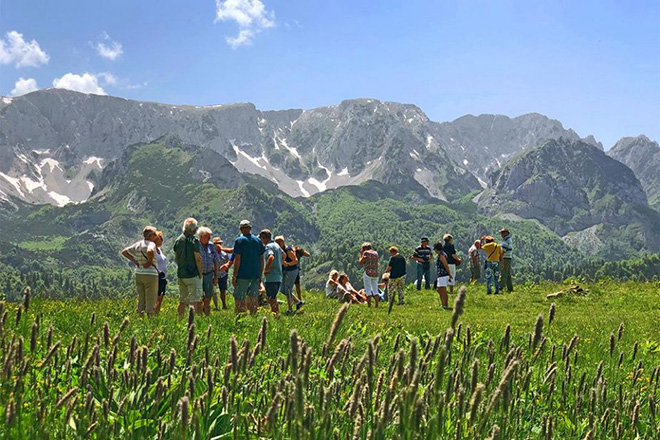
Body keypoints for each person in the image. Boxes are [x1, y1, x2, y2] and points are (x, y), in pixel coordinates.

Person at [121, 226, 159, 316]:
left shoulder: (138, 244)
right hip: (150, 274)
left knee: (141, 297)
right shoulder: (151, 244)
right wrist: (149, 262)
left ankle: (140, 315)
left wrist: (134, 260)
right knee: (151, 297)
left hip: (139, 273)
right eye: (154, 235)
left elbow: (124, 252)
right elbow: (150, 251)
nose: (156, 237)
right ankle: (150, 317)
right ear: (150, 236)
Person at [231, 220, 265, 315]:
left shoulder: (240, 240)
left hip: (242, 274)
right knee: (253, 296)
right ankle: (253, 315)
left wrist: (234, 275)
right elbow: (262, 259)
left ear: (241, 229)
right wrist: (260, 274)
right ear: (250, 229)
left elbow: (237, 259)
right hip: (255, 274)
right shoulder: (258, 241)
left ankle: (240, 316)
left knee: (239, 296)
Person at [173, 218, 203, 317]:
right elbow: (198, 259)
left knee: (182, 300)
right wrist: (200, 273)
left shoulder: (178, 240)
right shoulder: (194, 241)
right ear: (193, 229)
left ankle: (180, 318)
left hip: (181, 274)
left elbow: (176, 258)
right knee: (193, 300)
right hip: (192, 274)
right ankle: (191, 321)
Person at [276, 236, 305, 314]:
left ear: (282, 242)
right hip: (285, 271)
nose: (277, 244)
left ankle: (290, 309)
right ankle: (298, 302)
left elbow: (295, 260)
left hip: (291, 271)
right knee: (282, 290)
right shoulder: (280, 250)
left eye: (278, 242)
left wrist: (287, 264)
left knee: (288, 289)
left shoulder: (288, 250)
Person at [259, 229, 283, 315]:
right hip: (279, 275)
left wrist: (266, 270)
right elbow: (283, 255)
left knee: (271, 298)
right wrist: (279, 264)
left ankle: (276, 315)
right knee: (273, 297)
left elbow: (271, 257)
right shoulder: (276, 245)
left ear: (264, 238)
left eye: (261, 238)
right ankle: (276, 314)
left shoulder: (268, 246)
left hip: (271, 277)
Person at [198, 227, 219, 316]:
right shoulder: (196, 245)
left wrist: (216, 275)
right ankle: (199, 314)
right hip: (198, 275)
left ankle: (207, 314)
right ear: (201, 237)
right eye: (208, 236)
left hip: (209, 274)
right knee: (198, 296)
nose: (209, 238)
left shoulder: (211, 246)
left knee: (208, 295)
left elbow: (216, 260)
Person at [359, 242, 380, 307]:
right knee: (375, 289)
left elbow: (360, 262)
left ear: (364, 248)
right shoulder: (375, 253)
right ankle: (377, 304)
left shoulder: (366, 253)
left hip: (368, 273)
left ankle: (369, 305)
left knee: (368, 289)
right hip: (375, 273)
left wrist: (361, 254)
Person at [212, 237, 231, 310]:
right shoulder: (211, 253)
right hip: (214, 275)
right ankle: (215, 306)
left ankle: (224, 304)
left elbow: (228, 263)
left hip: (223, 275)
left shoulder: (224, 254)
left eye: (220, 243)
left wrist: (226, 272)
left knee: (222, 290)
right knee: (213, 290)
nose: (219, 245)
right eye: (218, 243)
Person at [433, 241, 452, 310]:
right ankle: (443, 304)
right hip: (441, 275)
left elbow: (446, 265)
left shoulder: (441, 256)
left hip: (443, 275)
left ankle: (445, 305)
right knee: (439, 289)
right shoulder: (442, 254)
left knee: (443, 290)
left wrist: (449, 274)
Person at [154, 231, 168, 313]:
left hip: (162, 276)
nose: (162, 240)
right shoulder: (153, 250)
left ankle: (157, 313)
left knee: (161, 296)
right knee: (157, 296)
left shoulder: (159, 250)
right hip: (156, 275)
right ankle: (153, 312)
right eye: (160, 239)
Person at [500, 228, 514, 293]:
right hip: (508, 257)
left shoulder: (506, 240)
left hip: (505, 258)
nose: (501, 234)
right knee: (508, 274)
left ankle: (500, 288)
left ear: (505, 233)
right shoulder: (509, 239)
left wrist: (500, 257)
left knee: (503, 273)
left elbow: (503, 251)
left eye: (502, 233)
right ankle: (510, 288)